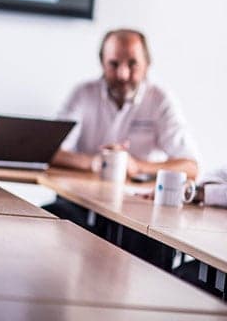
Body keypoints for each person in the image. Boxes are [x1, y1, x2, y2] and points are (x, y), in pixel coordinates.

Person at [46, 28, 199, 269]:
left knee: (147, 247)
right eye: (113, 64)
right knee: (54, 225)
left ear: (148, 65)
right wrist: (95, 162)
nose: (123, 74)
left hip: (139, 213)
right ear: (101, 63)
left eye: (132, 64)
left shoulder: (160, 99)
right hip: (81, 206)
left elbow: (190, 166)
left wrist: (137, 166)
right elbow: (48, 150)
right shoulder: (83, 93)